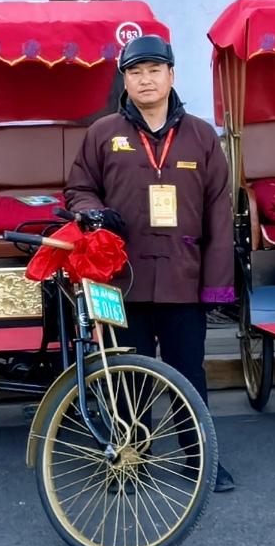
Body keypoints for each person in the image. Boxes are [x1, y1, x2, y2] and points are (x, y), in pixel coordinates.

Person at [64, 34, 238, 492]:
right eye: (135, 72)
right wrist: (92, 211)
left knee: (188, 372)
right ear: (125, 80)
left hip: (184, 273)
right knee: (128, 376)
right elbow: (77, 189)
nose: (145, 79)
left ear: (172, 76)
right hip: (123, 278)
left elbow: (221, 211)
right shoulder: (102, 133)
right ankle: (130, 459)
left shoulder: (201, 136)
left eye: (154, 70)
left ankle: (199, 458)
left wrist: (217, 285)